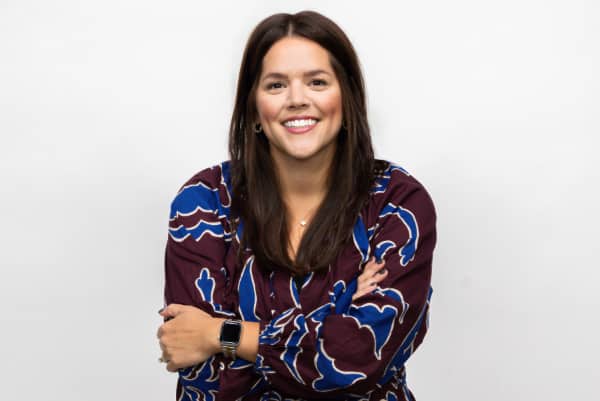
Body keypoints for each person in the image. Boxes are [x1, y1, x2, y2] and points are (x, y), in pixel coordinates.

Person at [157, 10, 436, 401]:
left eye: (317, 82)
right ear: (254, 107)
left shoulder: (396, 202)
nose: (297, 100)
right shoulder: (205, 201)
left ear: (347, 97)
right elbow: (203, 372)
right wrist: (336, 314)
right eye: (275, 85)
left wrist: (222, 334)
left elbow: (357, 361)